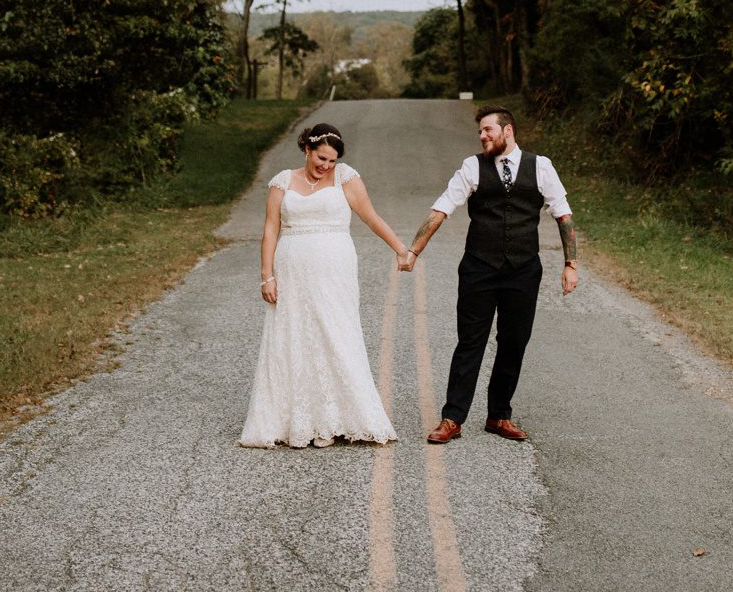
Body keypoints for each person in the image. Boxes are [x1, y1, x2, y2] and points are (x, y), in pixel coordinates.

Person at [407, 105, 578, 443]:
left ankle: (499, 415)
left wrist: (571, 265)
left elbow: (563, 215)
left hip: (524, 270)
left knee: (513, 342)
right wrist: (413, 251)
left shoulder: (540, 166)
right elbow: (442, 208)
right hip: (478, 269)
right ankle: (452, 418)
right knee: (471, 341)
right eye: (480, 132)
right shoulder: (472, 167)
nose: (482, 136)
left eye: (488, 130)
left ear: (508, 130)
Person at [240, 122, 416, 448]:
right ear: (307, 148)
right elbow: (270, 230)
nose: (325, 166)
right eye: (321, 158)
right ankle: (301, 420)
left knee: (335, 333)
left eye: (331, 161)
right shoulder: (282, 182)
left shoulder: (345, 178)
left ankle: (334, 420)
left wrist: (401, 249)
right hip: (292, 268)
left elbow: (371, 217)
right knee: (296, 336)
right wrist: (267, 275)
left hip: (335, 268)